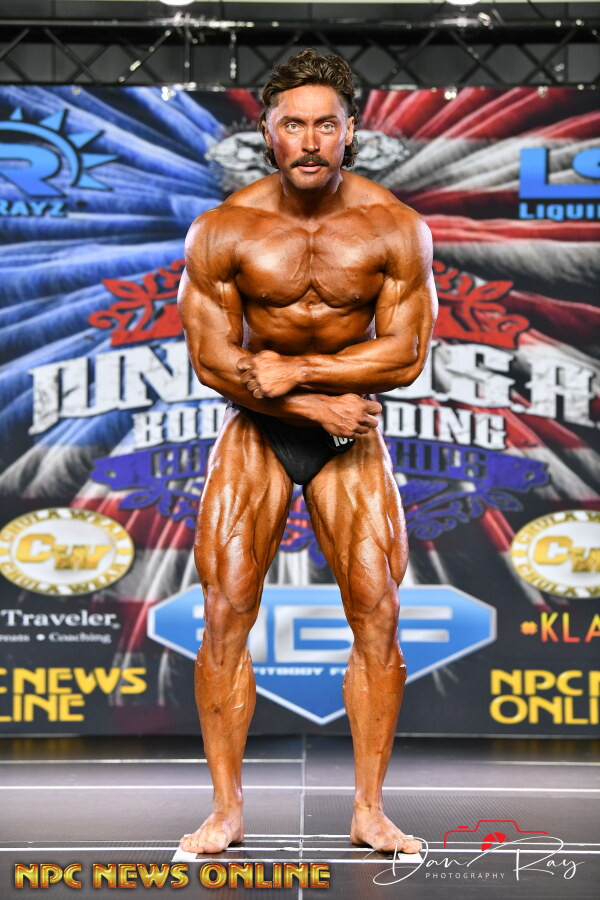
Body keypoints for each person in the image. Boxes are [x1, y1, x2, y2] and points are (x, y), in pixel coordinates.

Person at [177, 48, 437, 856]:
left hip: (350, 436)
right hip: (259, 429)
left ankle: (369, 810)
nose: (312, 140)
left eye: (327, 124)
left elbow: (405, 355)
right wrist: (310, 401)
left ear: (352, 131)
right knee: (225, 611)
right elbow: (213, 361)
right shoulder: (225, 229)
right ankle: (226, 810)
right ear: (269, 132)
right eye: (295, 124)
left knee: (379, 612)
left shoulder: (395, 227)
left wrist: (301, 370)